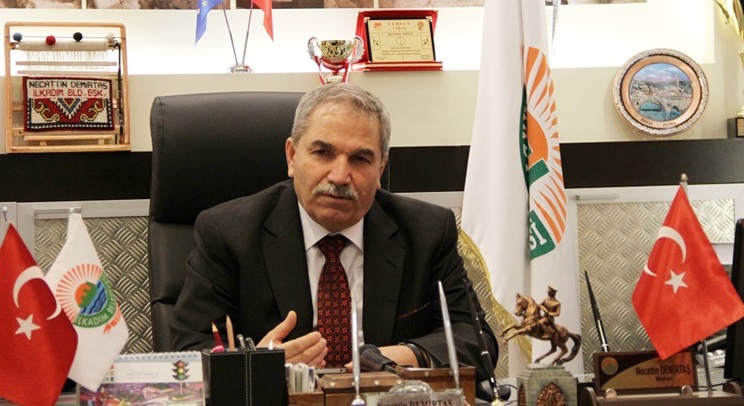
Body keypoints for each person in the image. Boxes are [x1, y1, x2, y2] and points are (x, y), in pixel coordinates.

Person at [171, 82, 498, 383]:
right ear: (292, 156)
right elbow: (185, 354)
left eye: (360, 158)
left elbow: (477, 340)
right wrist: (256, 365)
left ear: (380, 169)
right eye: (323, 153)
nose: (340, 176)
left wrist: (401, 356)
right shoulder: (227, 233)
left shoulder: (427, 232)